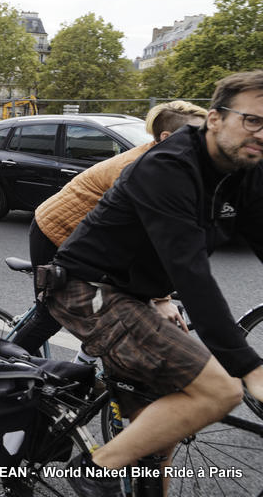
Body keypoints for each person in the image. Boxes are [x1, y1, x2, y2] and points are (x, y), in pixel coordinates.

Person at [42, 71, 263, 496]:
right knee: (219, 392)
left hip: (133, 291)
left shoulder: (243, 167)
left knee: (156, 442)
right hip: (85, 288)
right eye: (252, 120)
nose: (261, 133)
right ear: (214, 118)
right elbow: (190, 270)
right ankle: (94, 469)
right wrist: (248, 367)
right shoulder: (168, 166)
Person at [13, 100, 208, 356]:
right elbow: (150, 236)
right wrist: (161, 299)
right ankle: (0, 367)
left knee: (120, 311)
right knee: (53, 314)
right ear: (167, 137)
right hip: (56, 231)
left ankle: (92, 376)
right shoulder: (141, 169)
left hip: (95, 241)